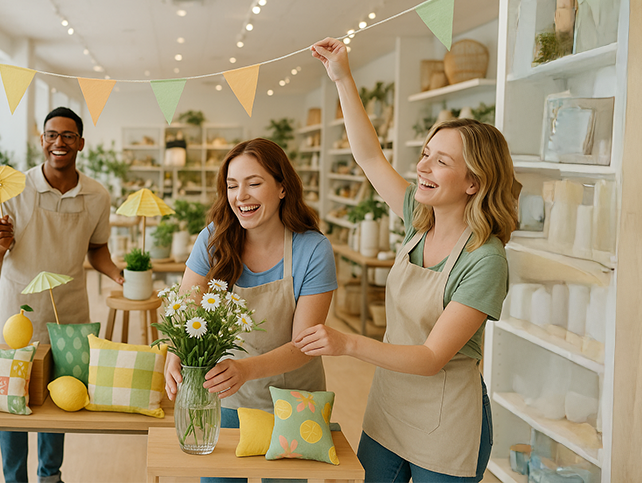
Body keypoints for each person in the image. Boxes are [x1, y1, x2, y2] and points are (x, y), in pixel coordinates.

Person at [295, 37, 517, 482]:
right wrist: (341, 76)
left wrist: (347, 343)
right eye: (425, 155)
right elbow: (368, 156)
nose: (423, 168)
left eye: (441, 162)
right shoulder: (418, 218)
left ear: (474, 182)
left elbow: (432, 357)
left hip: (446, 421)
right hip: (388, 407)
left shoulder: (485, 260)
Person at [0, 106, 124, 483]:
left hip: (68, 309)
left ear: (81, 143)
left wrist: (119, 274)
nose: (59, 142)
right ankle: (14, 479)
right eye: (52, 135)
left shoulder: (97, 195)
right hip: (18, 312)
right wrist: (0, 244)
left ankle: (50, 476)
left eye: (68, 136)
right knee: (12, 396)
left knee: (62, 393)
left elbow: (97, 250)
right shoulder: (12, 190)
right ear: (41, 140)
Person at [163, 138, 338, 453]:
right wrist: (176, 354)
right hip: (227, 394)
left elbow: (306, 345)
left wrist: (245, 370)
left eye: (254, 183)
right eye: (232, 186)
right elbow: (186, 311)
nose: (240, 196)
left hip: (293, 402)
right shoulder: (213, 240)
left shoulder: (313, 249)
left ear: (282, 187)